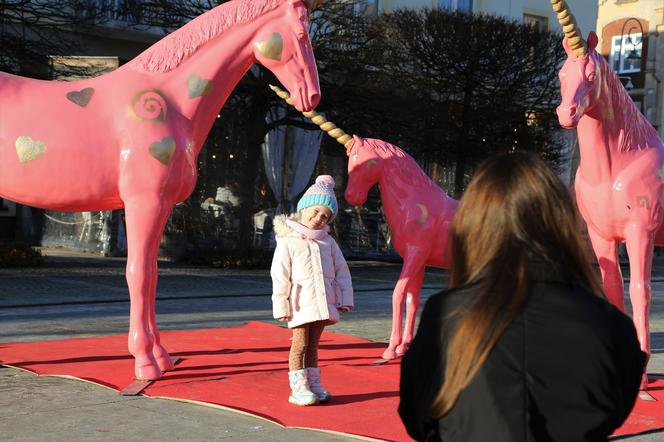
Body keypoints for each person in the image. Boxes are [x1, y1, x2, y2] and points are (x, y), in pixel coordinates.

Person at [398, 152, 645, 441]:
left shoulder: (445, 316)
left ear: (473, 225)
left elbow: (416, 415)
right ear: (559, 223)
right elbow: (616, 407)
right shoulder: (609, 324)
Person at [271, 175, 353, 406]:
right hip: (299, 304)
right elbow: (280, 276)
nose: (318, 218)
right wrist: (282, 306)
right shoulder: (288, 241)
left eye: (325, 216)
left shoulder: (328, 243)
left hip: (323, 303)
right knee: (300, 344)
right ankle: (298, 388)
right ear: (304, 208)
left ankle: (314, 384)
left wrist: (344, 299)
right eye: (315, 211)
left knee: (314, 345)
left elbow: (342, 272)